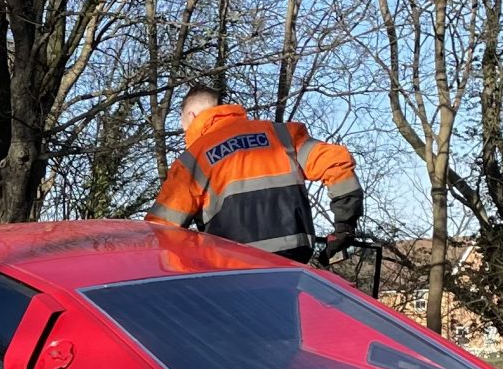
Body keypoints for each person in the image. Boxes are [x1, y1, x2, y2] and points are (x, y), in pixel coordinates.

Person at [149, 84, 363, 261]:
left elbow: (159, 230)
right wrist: (345, 225)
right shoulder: (281, 135)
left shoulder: (193, 160)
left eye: (184, 126)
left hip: (235, 271)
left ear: (192, 115)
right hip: (293, 263)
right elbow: (335, 161)